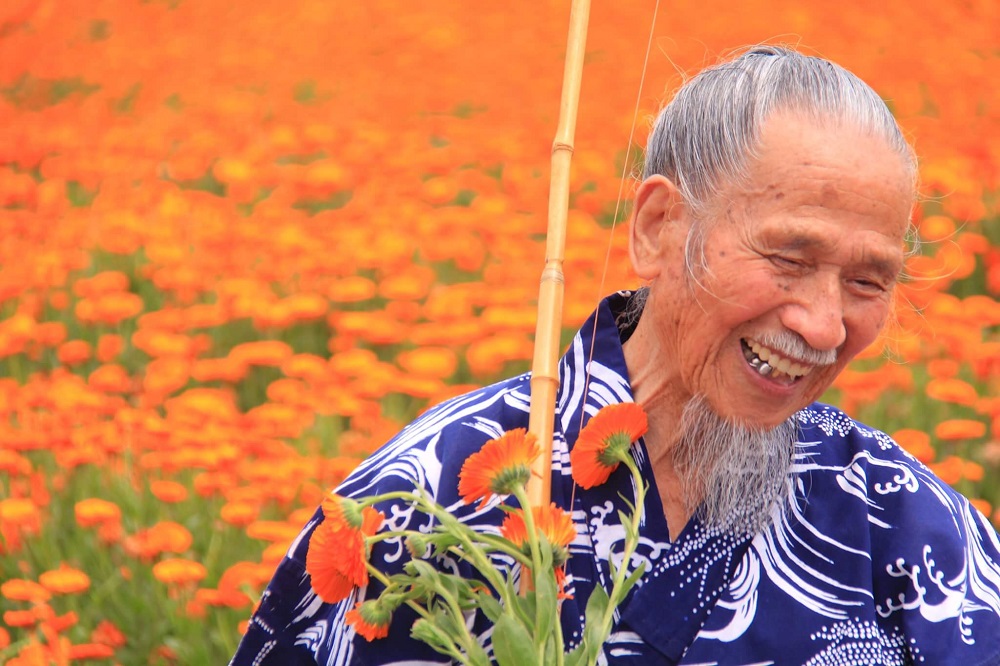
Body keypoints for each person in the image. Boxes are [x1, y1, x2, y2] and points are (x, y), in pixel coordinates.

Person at [230, 46, 1000, 665]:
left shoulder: (904, 525)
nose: (827, 325)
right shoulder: (425, 505)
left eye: (869, 281)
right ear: (659, 228)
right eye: (790, 258)